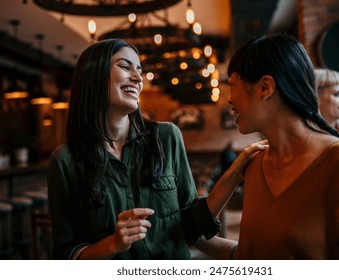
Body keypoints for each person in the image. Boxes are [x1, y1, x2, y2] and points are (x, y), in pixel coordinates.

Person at [47, 38, 265, 260]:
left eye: (139, 70)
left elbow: (190, 227)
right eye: (125, 66)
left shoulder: (167, 136)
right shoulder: (65, 161)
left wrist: (234, 173)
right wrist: (112, 244)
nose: (137, 77)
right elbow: (66, 254)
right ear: (93, 76)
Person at [195, 33, 339, 259]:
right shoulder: (255, 164)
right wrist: (189, 234)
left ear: (265, 88)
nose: (229, 99)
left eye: (232, 84)